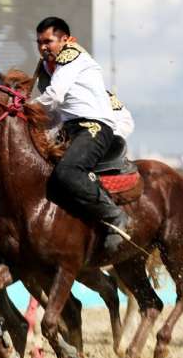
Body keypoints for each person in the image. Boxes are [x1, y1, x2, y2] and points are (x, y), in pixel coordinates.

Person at [31, 16, 128, 252]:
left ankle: (115, 217)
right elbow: (54, 112)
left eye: (48, 41)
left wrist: (24, 108)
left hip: (93, 127)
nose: (43, 47)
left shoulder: (71, 55)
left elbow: (54, 96)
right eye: (39, 43)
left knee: (67, 171)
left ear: (65, 39)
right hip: (69, 129)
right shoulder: (48, 67)